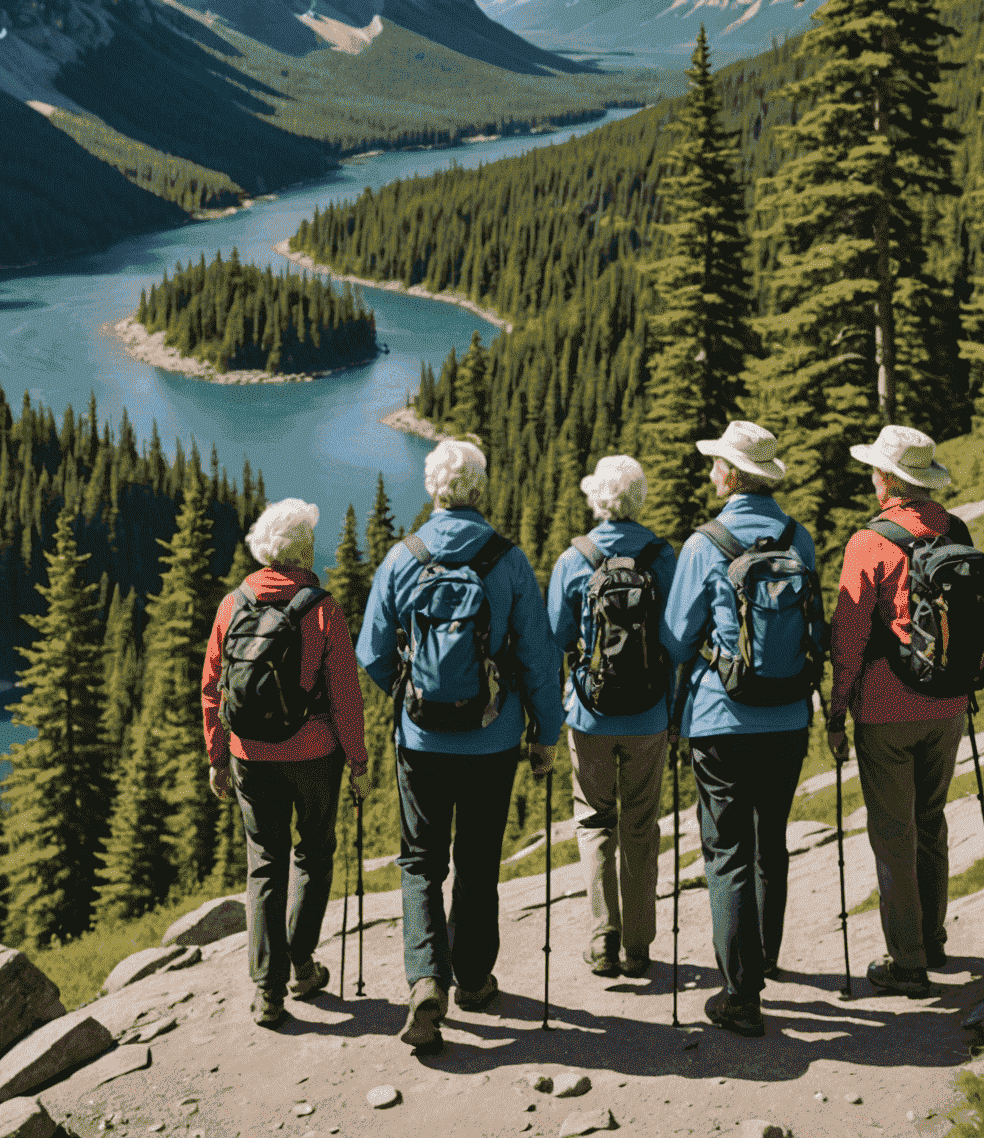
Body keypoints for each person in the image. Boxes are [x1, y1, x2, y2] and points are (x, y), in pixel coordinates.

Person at [358, 438, 564, 1051]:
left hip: (422, 740)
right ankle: (473, 980)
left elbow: (370, 650)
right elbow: (538, 655)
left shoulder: (404, 557)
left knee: (421, 859)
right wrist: (544, 735)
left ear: (434, 489)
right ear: (479, 489)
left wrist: (408, 689)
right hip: (492, 737)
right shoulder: (507, 560)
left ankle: (425, 981)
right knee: (477, 861)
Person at [662, 421, 819, 1038]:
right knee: (769, 840)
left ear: (731, 474)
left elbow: (676, 638)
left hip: (720, 718)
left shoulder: (706, 543)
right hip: (787, 713)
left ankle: (739, 992)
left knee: (727, 850)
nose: (710, 472)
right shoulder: (796, 537)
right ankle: (766, 956)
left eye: (717, 464)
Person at [202, 498, 370, 1029]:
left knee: (265, 865)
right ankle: (300, 964)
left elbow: (212, 687)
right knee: (314, 855)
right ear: (303, 552)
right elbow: (345, 693)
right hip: (314, 754)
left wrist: (216, 756)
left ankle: (267, 991)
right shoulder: (322, 608)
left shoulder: (233, 604)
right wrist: (359, 762)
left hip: (249, 755)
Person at [826, 425, 969, 998]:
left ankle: (905, 960)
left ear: (886, 480)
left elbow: (849, 635)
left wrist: (838, 711)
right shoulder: (956, 530)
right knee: (931, 819)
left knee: (893, 833)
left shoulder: (870, 542)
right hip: (949, 703)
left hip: (886, 709)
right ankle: (932, 939)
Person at [547, 455, 677, 978]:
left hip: (590, 712)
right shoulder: (662, 556)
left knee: (595, 820)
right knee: (641, 824)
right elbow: (675, 636)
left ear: (598, 500)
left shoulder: (573, 559)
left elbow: (556, 635)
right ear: (639, 499)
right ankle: (640, 946)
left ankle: (603, 937)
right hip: (648, 713)